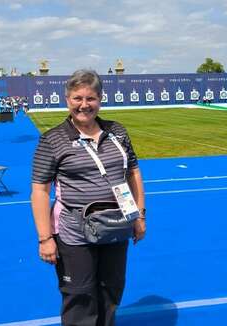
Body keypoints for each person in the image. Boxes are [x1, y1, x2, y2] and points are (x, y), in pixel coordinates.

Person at [31, 69, 146, 326]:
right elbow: (40, 190)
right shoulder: (52, 140)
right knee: (80, 296)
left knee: (111, 290)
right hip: (74, 234)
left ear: (100, 99)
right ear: (67, 100)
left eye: (91, 98)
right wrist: (45, 238)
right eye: (77, 98)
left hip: (117, 226)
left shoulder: (117, 131)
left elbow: (133, 172)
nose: (84, 105)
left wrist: (139, 215)